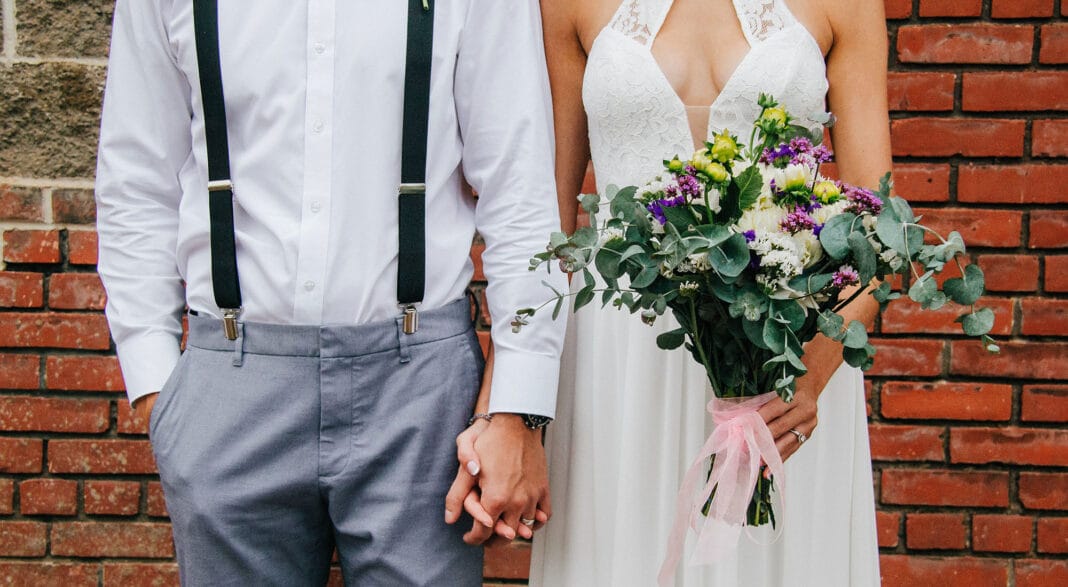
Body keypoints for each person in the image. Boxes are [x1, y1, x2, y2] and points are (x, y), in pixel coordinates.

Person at [95, 0, 566, 584]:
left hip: (420, 390)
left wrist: (517, 408)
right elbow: (135, 181)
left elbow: (519, 190)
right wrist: (159, 392)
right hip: (230, 382)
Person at [530, 0, 889, 584]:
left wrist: (812, 375)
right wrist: (511, 404)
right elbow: (550, 223)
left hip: (786, 357)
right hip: (622, 364)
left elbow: (880, 229)